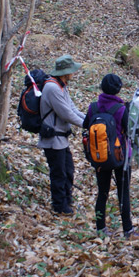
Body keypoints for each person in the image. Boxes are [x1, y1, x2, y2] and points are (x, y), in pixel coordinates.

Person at [83, 74, 139, 239]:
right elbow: (130, 131)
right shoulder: (121, 109)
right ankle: (128, 230)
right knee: (123, 193)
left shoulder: (93, 107)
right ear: (118, 90)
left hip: (100, 156)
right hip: (121, 158)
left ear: (101, 87)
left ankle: (100, 228)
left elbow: (86, 124)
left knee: (102, 192)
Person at [39, 55, 85, 215]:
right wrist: (86, 124)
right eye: (72, 70)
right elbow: (66, 114)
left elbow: (72, 108)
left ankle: (67, 200)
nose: (74, 72)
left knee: (68, 170)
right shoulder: (52, 88)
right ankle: (59, 205)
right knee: (59, 172)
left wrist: (90, 119)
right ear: (66, 72)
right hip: (52, 139)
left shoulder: (61, 86)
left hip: (61, 138)